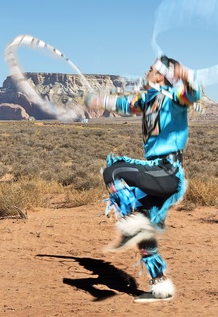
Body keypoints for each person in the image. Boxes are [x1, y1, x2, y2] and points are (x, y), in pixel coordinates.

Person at [85, 55, 202, 303]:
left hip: (168, 171)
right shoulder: (147, 99)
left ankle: (132, 219)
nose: (146, 71)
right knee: (144, 235)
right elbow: (124, 104)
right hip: (157, 172)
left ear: (161, 76)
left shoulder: (174, 98)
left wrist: (186, 77)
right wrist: (98, 100)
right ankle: (160, 285)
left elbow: (193, 94)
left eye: (151, 69)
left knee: (114, 170)